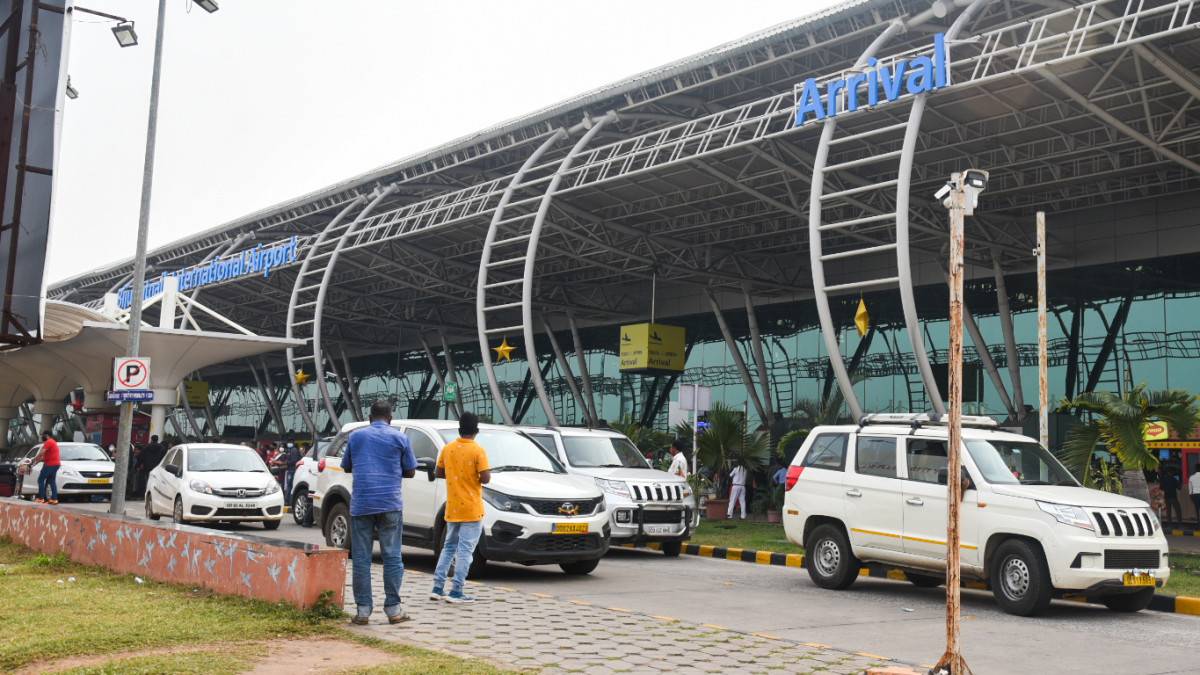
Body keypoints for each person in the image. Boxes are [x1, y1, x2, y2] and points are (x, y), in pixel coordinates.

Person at [343, 401, 417, 625]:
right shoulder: (400, 438)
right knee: (392, 556)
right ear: (390, 418)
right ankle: (393, 610)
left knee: (362, 558)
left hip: (362, 503)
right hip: (389, 503)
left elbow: (347, 465)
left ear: (369, 417)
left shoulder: (356, 437)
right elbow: (411, 471)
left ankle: (363, 612)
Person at [431, 412, 491, 604]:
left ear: (459, 430)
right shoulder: (478, 450)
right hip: (471, 509)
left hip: (453, 507)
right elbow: (486, 478)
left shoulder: (448, 449)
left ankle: (437, 588)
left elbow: (439, 472)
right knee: (465, 551)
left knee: (448, 547)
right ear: (477, 431)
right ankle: (457, 591)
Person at [31, 431, 61, 504]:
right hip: (55, 464)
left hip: (50, 465)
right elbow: (44, 457)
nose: (42, 437)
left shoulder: (48, 442)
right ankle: (54, 499)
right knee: (51, 481)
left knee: (40, 480)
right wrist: (34, 462)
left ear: (47, 435)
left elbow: (41, 452)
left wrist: (34, 459)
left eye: (42, 435)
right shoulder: (53, 442)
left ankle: (41, 498)